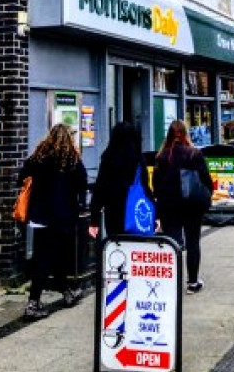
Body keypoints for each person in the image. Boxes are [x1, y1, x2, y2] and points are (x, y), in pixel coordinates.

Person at [17, 123, 88, 320]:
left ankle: (55, 296)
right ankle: (43, 300)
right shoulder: (72, 159)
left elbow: (21, 177)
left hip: (40, 216)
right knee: (55, 258)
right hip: (62, 218)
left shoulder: (39, 157)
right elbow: (82, 184)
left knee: (45, 257)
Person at [152, 119, 213, 294]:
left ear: (169, 134)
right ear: (186, 133)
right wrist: (207, 195)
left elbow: (156, 184)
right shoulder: (194, 154)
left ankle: (172, 284)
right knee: (193, 242)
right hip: (192, 205)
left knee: (172, 243)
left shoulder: (161, 156)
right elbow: (206, 180)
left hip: (169, 206)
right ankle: (193, 283)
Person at [89, 121, 152, 239]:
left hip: (113, 213)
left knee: (117, 249)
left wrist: (94, 220)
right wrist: (155, 214)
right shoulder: (138, 159)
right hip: (135, 211)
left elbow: (100, 188)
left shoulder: (108, 158)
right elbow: (145, 187)